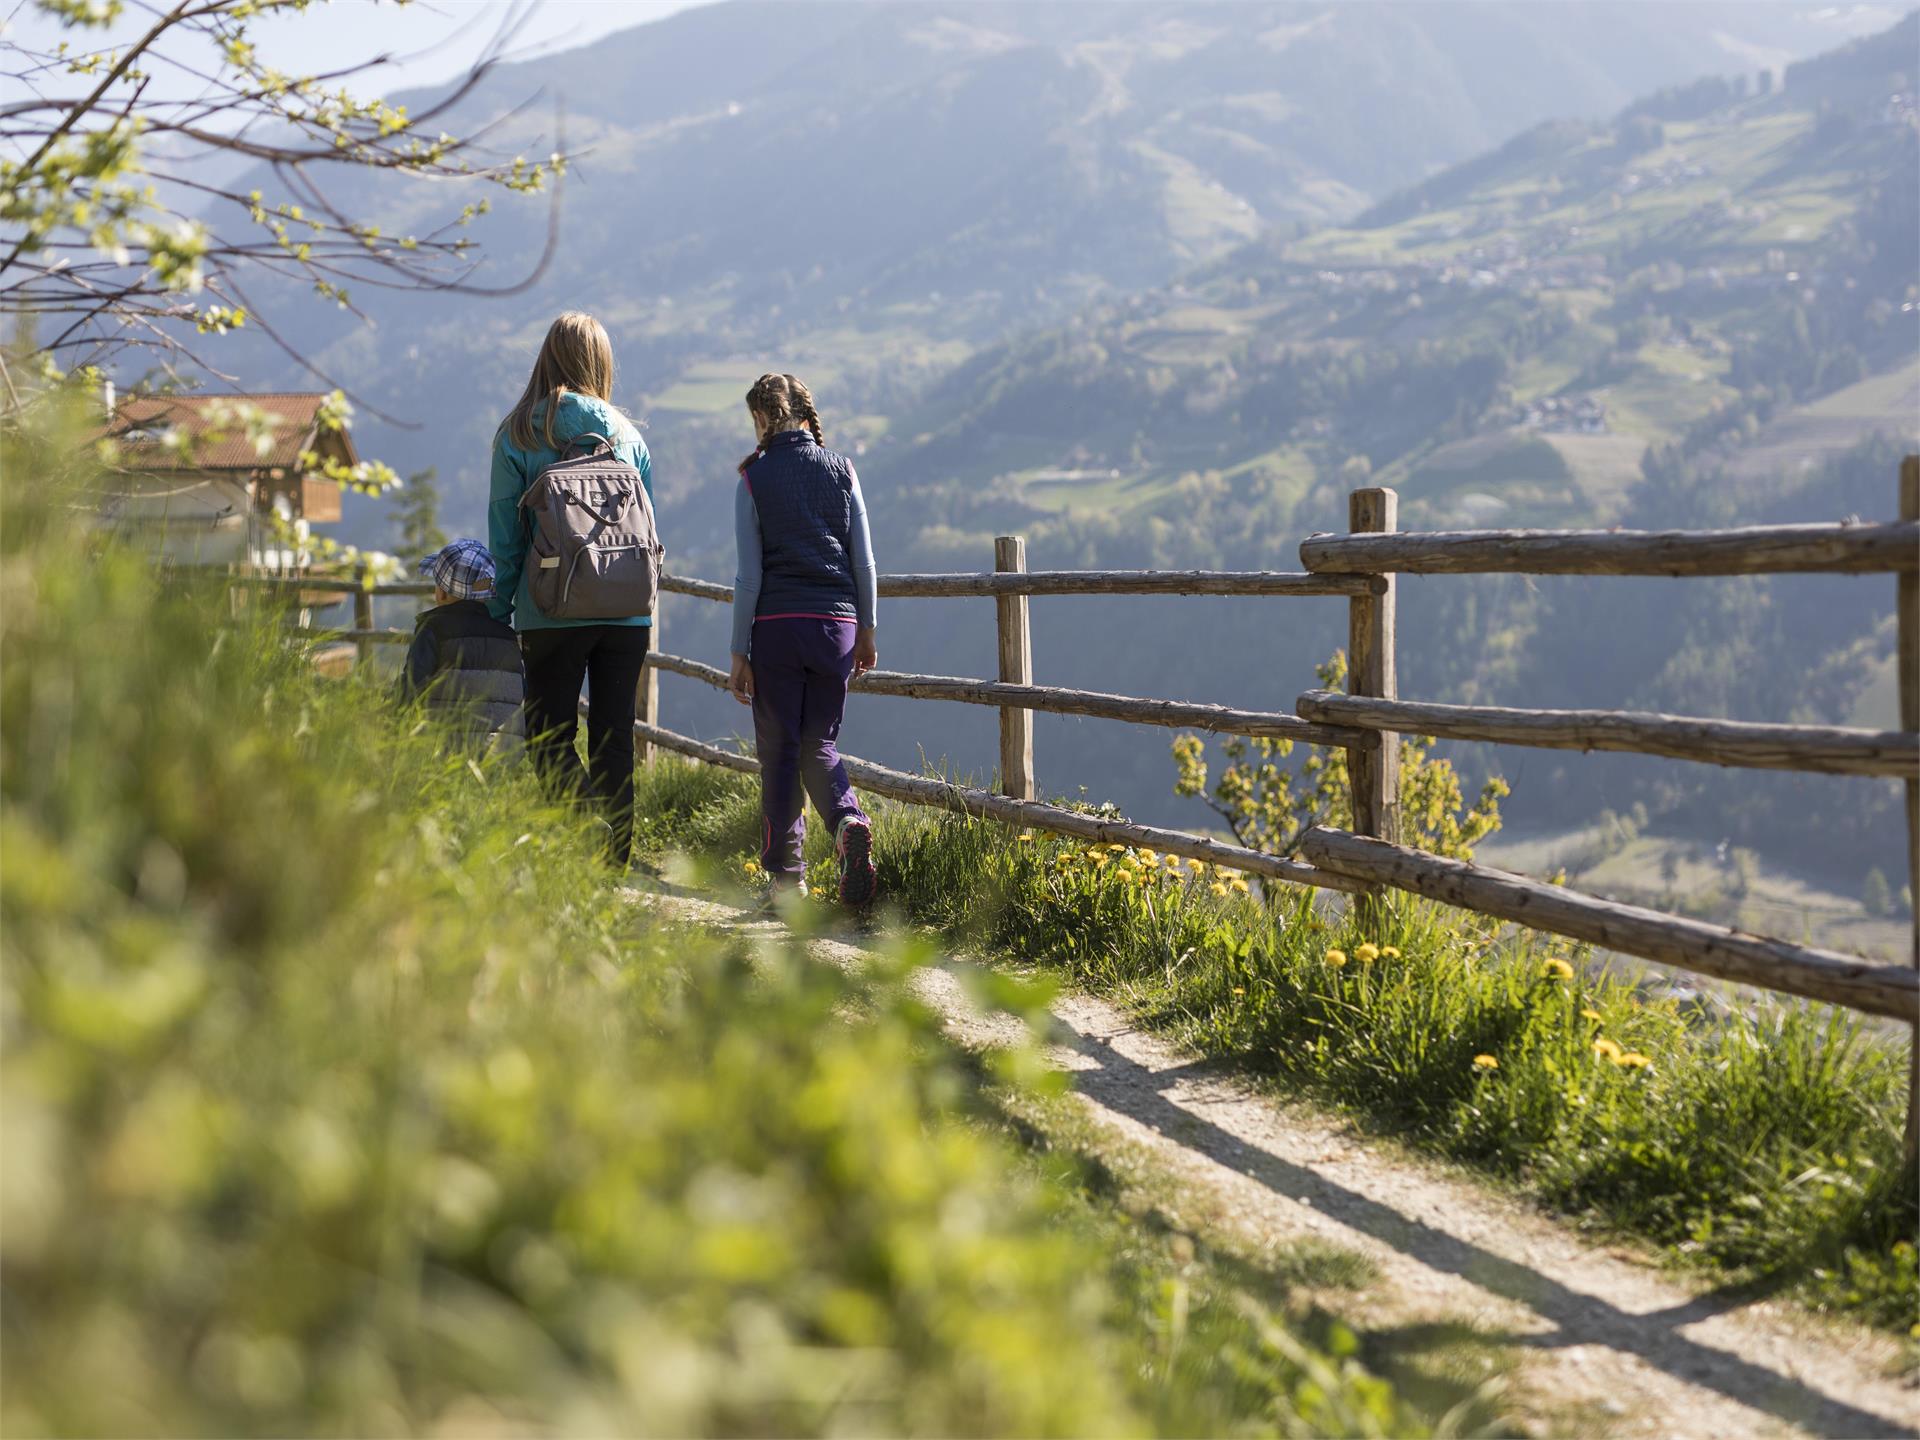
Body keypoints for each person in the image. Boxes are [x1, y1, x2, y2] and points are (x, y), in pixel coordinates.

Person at [487, 312, 653, 868]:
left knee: (548, 733)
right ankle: (616, 865)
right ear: (601, 363)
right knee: (615, 735)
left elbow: (506, 537)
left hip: (550, 609)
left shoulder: (519, 434)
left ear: (546, 357)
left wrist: (498, 604)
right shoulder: (628, 436)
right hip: (626, 611)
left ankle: (585, 826)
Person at [728, 372, 879, 907]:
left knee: (780, 751)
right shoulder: (844, 470)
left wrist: (738, 652)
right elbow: (863, 560)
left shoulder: (754, 479)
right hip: (836, 627)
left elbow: (749, 577)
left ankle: (787, 882)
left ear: (763, 419)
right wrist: (866, 629)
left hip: (775, 630)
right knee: (819, 743)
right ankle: (846, 823)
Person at [397, 539, 526, 753]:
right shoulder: (509, 638)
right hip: (503, 753)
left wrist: (389, 721)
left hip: (446, 751)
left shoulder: (433, 629)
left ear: (442, 593)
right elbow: (518, 692)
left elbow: (412, 684)